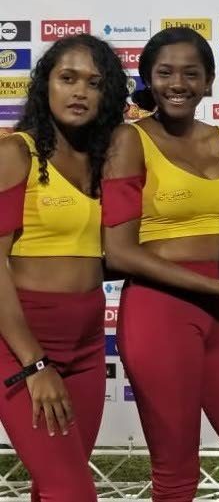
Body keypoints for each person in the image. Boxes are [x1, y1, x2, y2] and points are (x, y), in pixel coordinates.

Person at [101, 27, 219, 502]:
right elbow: (118, 251)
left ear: (209, 82)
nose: (177, 83)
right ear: (149, 80)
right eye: (164, 73)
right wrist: (215, 289)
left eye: (190, 73)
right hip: (159, 313)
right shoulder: (128, 139)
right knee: (177, 479)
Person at [0, 34, 128, 501]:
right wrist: (34, 363)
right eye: (67, 78)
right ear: (45, 87)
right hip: (21, 346)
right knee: (72, 493)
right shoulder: (16, 154)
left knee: (53, 488)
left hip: (88, 347)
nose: (79, 91)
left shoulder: (106, 161)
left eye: (93, 83)